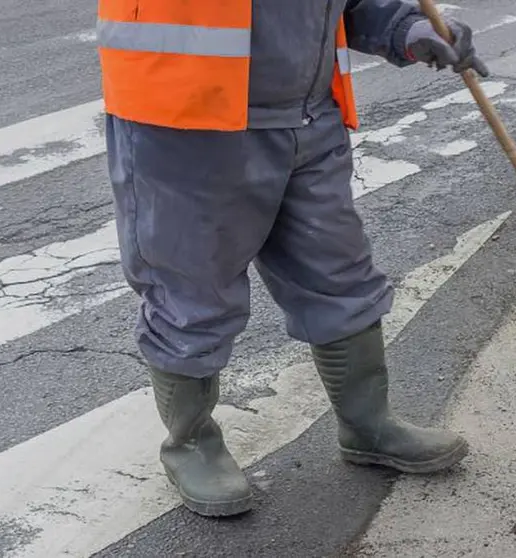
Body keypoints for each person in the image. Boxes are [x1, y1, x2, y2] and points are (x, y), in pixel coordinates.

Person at [95, 0, 489, 517]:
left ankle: (368, 425)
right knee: (192, 293)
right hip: (187, 121)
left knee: (339, 274)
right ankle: (190, 443)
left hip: (308, 119)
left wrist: (408, 28)